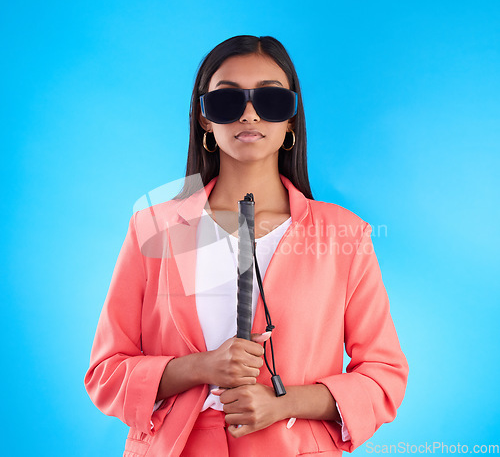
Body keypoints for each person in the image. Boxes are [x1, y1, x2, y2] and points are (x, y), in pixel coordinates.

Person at [84, 35, 409, 457]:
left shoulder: (343, 235)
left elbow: (384, 377)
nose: (249, 113)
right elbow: (106, 373)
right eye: (226, 101)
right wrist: (201, 367)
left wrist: (285, 403)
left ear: (291, 118)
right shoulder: (154, 229)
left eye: (271, 101)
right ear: (204, 118)